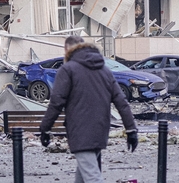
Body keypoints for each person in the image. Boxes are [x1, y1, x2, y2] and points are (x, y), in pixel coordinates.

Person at [40, 36, 138, 182]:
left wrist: (45, 129)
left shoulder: (67, 70)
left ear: (66, 49)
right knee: (84, 175)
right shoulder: (104, 71)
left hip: (80, 132)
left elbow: (56, 102)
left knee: (92, 177)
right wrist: (131, 130)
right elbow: (121, 102)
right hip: (101, 130)